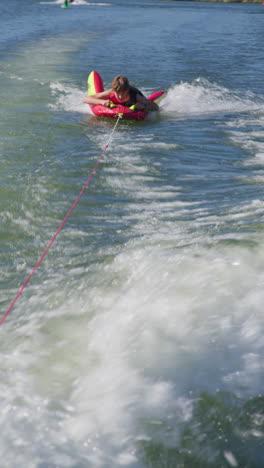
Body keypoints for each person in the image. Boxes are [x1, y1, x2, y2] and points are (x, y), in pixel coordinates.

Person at [84, 75, 159, 112]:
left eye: (123, 93)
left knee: (144, 102)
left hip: (134, 105)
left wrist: (143, 107)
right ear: (114, 90)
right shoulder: (111, 92)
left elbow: (156, 107)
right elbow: (86, 99)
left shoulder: (136, 96)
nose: (120, 96)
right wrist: (102, 102)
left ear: (127, 90)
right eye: (117, 93)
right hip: (117, 109)